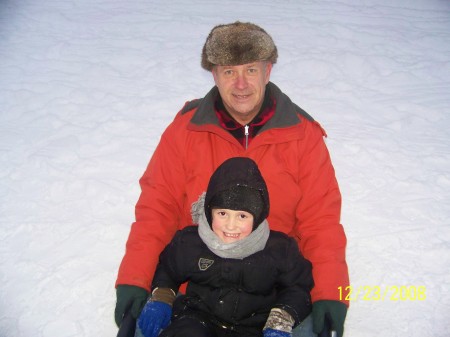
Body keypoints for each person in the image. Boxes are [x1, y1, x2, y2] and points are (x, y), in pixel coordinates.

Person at [115, 21, 349, 337]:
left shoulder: (302, 135)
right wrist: (135, 278)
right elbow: (158, 208)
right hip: (196, 286)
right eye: (229, 72)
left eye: (250, 70)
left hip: (278, 292)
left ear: (268, 71)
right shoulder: (186, 130)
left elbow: (320, 222)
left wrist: (330, 293)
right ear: (214, 75)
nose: (240, 84)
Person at [134, 157, 314, 337]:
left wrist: (281, 318)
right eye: (222, 214)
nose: (230, 225)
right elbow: (168, 269)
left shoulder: (279, 249)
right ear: (209, 211)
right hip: (197, 320)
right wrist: (162, 298)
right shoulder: (191, 242)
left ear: (258, 217)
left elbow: (297, 287)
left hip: (253, 328)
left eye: (242, 216)